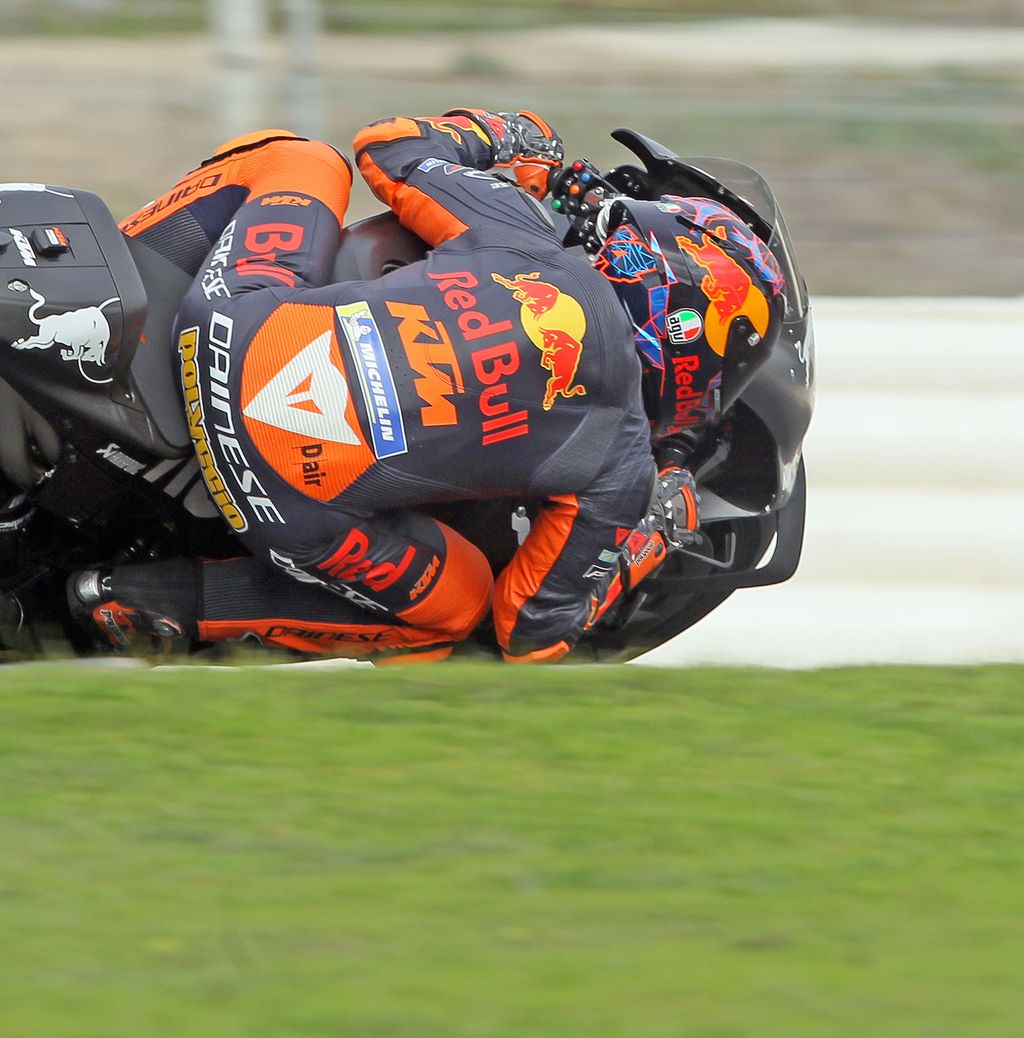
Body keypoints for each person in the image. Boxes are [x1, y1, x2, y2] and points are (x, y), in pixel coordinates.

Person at [70, 109, 785, 663]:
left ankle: (97, 286)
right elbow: (530, 635)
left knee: (299, 158)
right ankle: (143, 601)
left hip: (223, 326)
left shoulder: (527, 242)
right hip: (276, 498)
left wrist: (513, 136)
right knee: (453, 622)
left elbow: (385, 146)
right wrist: (652, 534)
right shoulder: (622, 467)